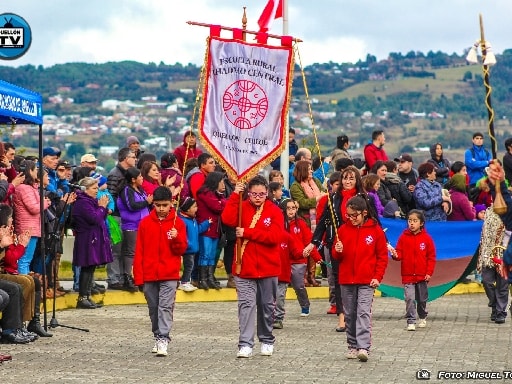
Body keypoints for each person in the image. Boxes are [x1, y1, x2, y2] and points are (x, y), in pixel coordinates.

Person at [221, 175, 283, 358]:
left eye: (261, 194)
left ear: (267, 193)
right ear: (248, 193)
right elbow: (227, 219)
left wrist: (248, 232)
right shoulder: (241, 204)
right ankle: (245, 343)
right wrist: (235, 195)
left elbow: (275, 236)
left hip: (268, 267)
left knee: (266, 306)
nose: (257, 197)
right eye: (254, 194)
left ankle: (266, 339)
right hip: (244, 267)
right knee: (246, 305)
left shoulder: (274, 211)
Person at [332, 195, 388, 362]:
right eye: (348, 215)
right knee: (349, 314)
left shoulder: (375, 230)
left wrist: (378, 277)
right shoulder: (342, 230)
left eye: (354, 215)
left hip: (367, 280)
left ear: (364, 213)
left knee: (363, 312)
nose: (351, 219)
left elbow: (382, 257)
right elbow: (336, 257)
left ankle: (363, 346)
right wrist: (337, 249)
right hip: (346, 279)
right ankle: (352, 345)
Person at [133, 186, 188, 357]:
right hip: (149, 273)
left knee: (165, 306)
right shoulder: (145, 223)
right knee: (153, 307)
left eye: (164, 205)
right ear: (153, 204)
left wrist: (176, 237)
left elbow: (181, 249)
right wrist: (139, 277)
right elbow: (139, 251)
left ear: (172, 203)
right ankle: (157, 334)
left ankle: (163, 337)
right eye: (158, 205)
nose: (161, 209)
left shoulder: (178, 223)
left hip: (169, 273)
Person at [390, 210, 436, 331]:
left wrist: (428, 273)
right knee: (409, 298)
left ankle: (422, 316)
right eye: (410, 220)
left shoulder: (427, 238)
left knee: (422, 299)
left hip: (422, 276)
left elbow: (431, 258)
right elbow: (399, 254)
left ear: (421, 223)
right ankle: (411, 320)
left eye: (415, 221)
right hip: (408, 275)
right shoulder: (403, 237)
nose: (411, 223)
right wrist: (395, 254)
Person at [72, 177, 113, 309]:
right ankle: (82, 297)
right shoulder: (82, 203)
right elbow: (94, 218)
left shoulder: (90, 201)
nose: (97, 191)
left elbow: (100, 216)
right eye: (94, 188)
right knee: (86, 267)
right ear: (85, 189)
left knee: (91, 267)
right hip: (86, 239)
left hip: (92, 238)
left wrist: (103, 208)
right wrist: (102, 208)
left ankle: (87, 295)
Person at [281, 198, 321, 316]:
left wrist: (317, 257)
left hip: (299, 260)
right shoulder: (279, 224)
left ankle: (305, 305)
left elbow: (309, 242)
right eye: (288, 208)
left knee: (298, 286)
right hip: (283, 260)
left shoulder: (302, 224)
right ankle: (278, 313)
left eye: (293, 208)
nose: (291, 211)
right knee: (280, 289)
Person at [106, 148, 137, 290]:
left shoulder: (126, 173)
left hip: (124, 215)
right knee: (116, 248)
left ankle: (123, 277)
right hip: (116, 215)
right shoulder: (115, 174)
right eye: (132, 156)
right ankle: (114, 279)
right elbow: (111, 194)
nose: (135, 159)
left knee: (124, 248)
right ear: (125, 158)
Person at [117, 167, 152, 292]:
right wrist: (147, 202)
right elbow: (131, 206)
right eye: (140, 177)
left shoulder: (140, 189)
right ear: (133, 179)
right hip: (132, 226)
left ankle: (140, 278)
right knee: (131, 252)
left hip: (143, 225)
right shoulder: (127, 190)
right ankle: (128, 278)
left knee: (142, 253)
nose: (142, 179)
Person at [12, 160, 51, 274]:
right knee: (24, 260)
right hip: (28, 229)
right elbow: (33, 208)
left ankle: (27, 286)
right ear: (30, 171)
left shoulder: (28, 188)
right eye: (35, 169)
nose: (37, 172)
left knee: (26, 260)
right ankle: (25, 287)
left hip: (30, 228)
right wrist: (45, 203)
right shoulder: (24, 188)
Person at [477, 205, 509, 324]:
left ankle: (500, 312)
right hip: (488, 253)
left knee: (502, 285)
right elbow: (484, 234)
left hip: (504, 253)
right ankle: (495, 304)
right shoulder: (489, 212)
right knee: (486, 281)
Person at [195, 171, 227, 290]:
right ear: (215, 182)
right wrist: (222, 202)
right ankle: (202, 279)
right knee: (205, 254)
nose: (223, 184)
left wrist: (222, 201)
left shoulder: (218, 195)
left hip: (215, 229)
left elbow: (224, 204)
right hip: (206, 229)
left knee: (212, 255)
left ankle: (209, 277)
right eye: (221, 181)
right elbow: (217, 207)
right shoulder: (205, 193)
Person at [178, 197, 211, 292]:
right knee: (189, 266)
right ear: (188, 209)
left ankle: (187, 281)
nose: (197, 208)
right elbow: (183, 235)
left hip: (193, 249)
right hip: (188, 249)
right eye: (194, 206)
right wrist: (187, 244)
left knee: (190, 266)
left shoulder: (193, 220)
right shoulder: (183, 221)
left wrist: (207, 223)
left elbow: (198, 230)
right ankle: (184, 282)